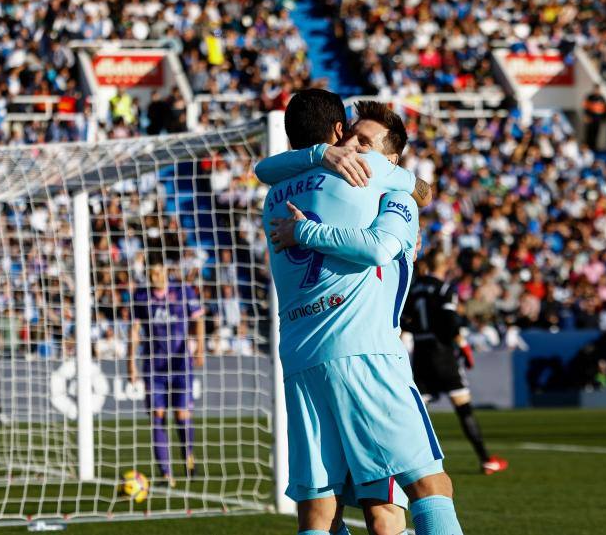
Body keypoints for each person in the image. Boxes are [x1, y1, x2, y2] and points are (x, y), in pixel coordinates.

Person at [257, 90, 462, 535]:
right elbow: (384, 242)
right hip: (363, 352)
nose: (357, 147)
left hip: (299, 356)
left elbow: (262, 168)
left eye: (366, 141)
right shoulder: (373, 179)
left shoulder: (274, 194)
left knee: (321, 507)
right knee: (428, 483)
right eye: (352, 137)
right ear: (337, 133)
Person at [403, 251, 509, 475]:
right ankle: (485, 459)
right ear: (443, 266)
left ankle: (403, 462)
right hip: (442, 354)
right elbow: (450, 322)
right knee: (463, 407)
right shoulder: (444, 290)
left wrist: (418, 331)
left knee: (416, 412)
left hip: (421, 353)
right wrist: (461, 344)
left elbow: (403, 319)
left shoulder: (414, 289)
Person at [128, 256, 206, 486]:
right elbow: (134, 330)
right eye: (151, 274)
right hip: (154, 365)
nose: (155, 278)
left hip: (181, 363)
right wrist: (130, 363)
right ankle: (166, 474)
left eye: (159, 273)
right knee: (157, 416)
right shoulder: (141, 296)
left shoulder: (183, 291)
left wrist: (200, 347)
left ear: (166, 271)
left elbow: (199, 319)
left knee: (182, 416)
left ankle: (188, 456)